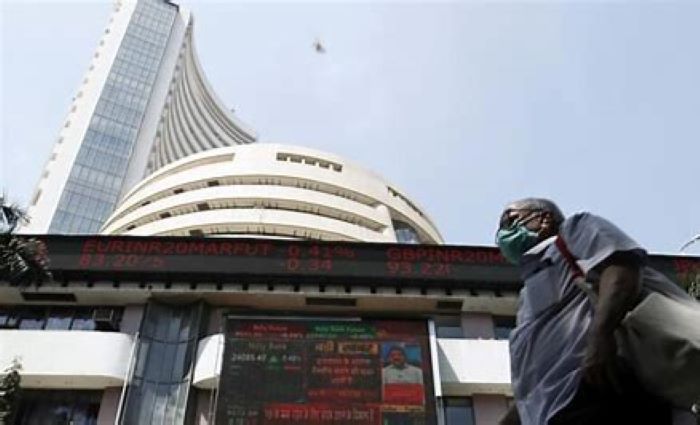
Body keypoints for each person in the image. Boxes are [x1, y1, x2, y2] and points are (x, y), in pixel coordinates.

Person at [495, 198, 694, 425]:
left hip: (599, 387)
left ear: (544, 219)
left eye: (510, 221)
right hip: (556, 411)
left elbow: (621, 269)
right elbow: (536, 384)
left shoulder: (574, 231)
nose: (503, 233)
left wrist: (600, 336)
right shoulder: (526, 297)